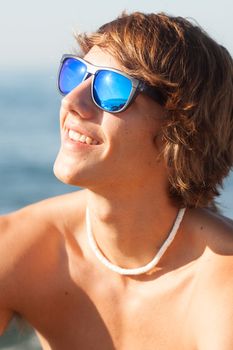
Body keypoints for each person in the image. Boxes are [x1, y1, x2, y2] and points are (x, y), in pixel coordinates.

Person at [0, 11, 233, 350]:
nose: (72, 102)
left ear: (180, 130)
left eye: (111, 88)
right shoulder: (23, 248)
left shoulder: (221, 285)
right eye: (76, 75)